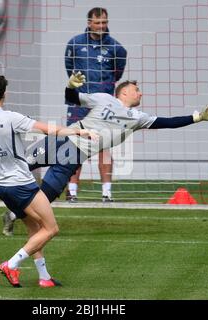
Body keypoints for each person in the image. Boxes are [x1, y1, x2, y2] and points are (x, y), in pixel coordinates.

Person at [0, 72, 208, 237]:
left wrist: (198, 117)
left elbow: (167, 122)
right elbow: (73, 97)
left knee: (47, 192)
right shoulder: (104, 98)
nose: (140, 93)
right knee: (17, 166)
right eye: (137, 89)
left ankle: (13, 216)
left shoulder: (138, 117)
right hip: (68, 139)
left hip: (76, 152)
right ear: (124, 91)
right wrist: (70, 84)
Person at [0, 75, 98, 287]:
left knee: (34, 227)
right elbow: (49, 130)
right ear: (4, 94)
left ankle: (44, 277)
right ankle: (11, 264)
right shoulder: (11, 117)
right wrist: (79, 130)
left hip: (1, 187)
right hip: (21, 184)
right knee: (51, 229)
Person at [64, 7, 127, 203]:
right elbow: (69, 69)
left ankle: (107, 193)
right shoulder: (74, 43)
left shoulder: (117, 48)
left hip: (104, 107)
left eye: (104, 22)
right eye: (98, 22)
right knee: (74, 145)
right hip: (80, 103)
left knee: (104, 147)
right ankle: (72, 192)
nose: (101, 26)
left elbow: (117, 74)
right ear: (89, 22)